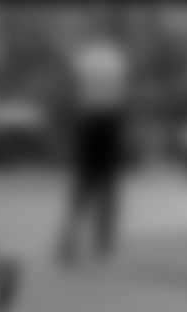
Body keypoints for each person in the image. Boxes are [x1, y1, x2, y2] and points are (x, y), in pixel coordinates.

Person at [56, 18, 132, 268]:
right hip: (110, 121)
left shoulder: (83, 57)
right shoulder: (118, 58)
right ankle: (103, 238)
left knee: (83, 183)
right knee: (108, 182)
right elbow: (124, 94)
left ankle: (70, 236)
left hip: (88, 120)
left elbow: (71, 92)